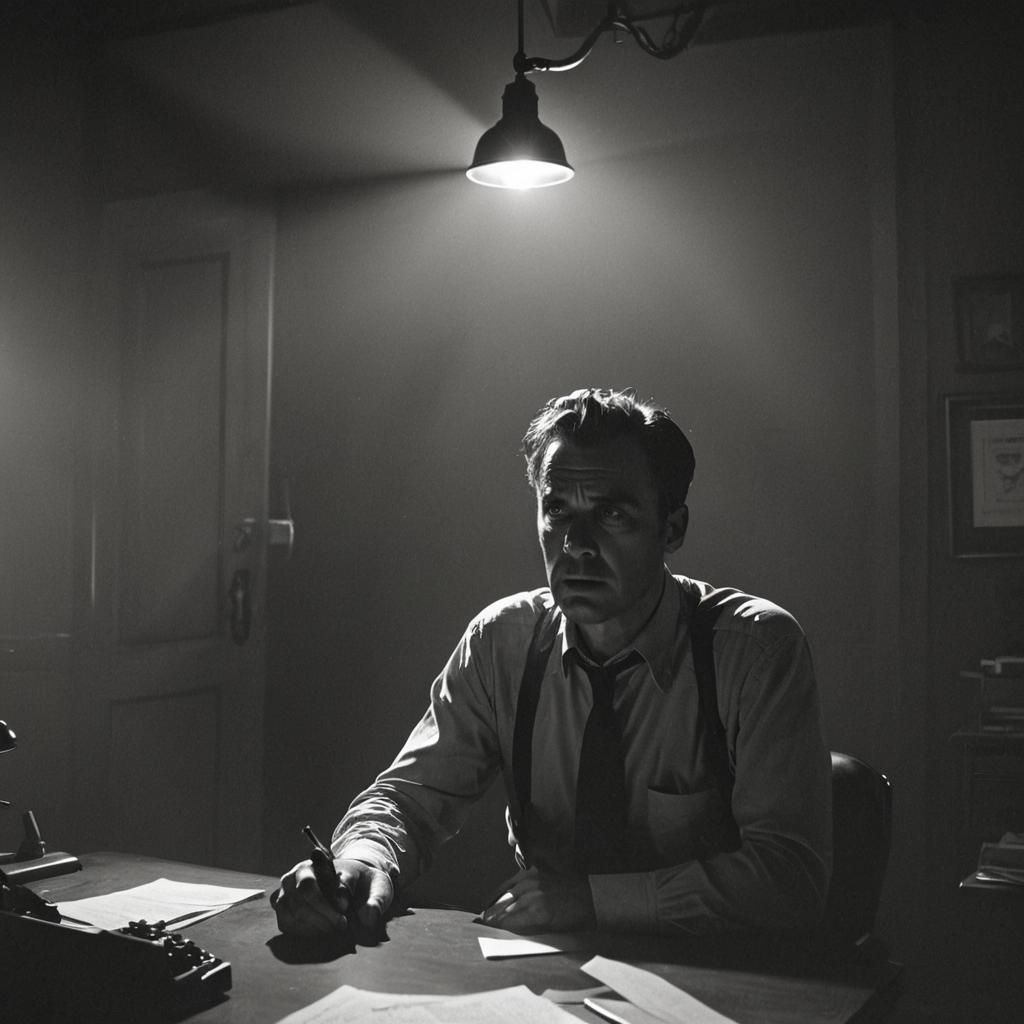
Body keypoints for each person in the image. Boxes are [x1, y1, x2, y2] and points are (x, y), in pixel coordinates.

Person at [272, 387, 832, 939]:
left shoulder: (754, 650)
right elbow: (408, 798)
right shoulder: (504, 641)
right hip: (551, 971)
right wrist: (362, 861)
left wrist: (594, 901)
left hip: (723, 980)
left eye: (611, 514)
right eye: (558, 510)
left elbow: (789, 876)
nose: (575, 546)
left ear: (672, 529)